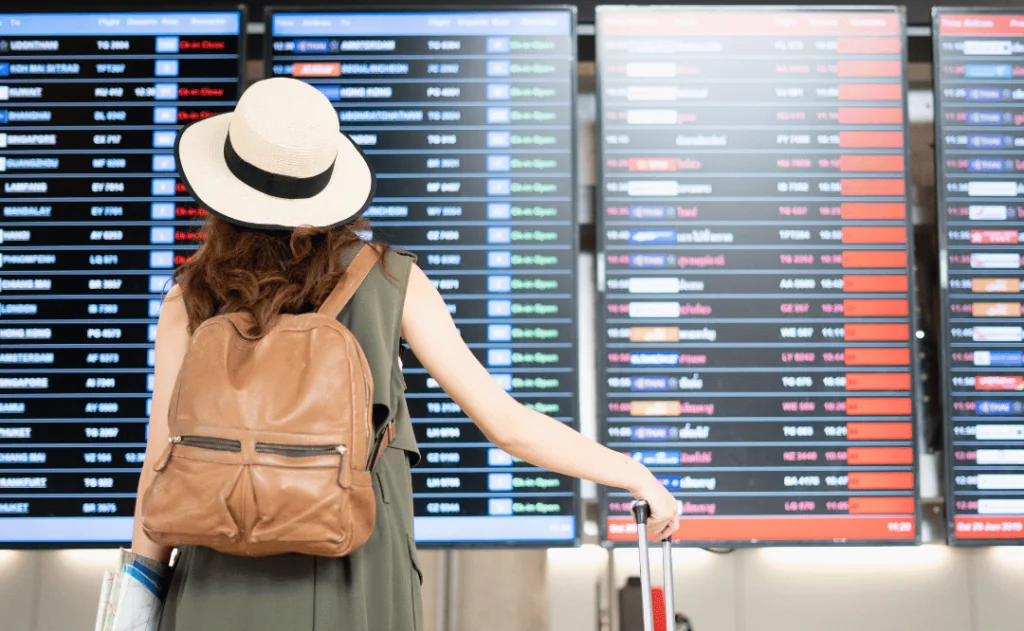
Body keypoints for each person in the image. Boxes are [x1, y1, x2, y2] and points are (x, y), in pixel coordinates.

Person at [129, 76, 679, 631]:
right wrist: (634, 476)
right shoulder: (392, 279)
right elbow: (506, 424)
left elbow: (160, 465)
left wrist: (138, 598)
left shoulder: (187, 296)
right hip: (357, 568)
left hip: (218, 570)